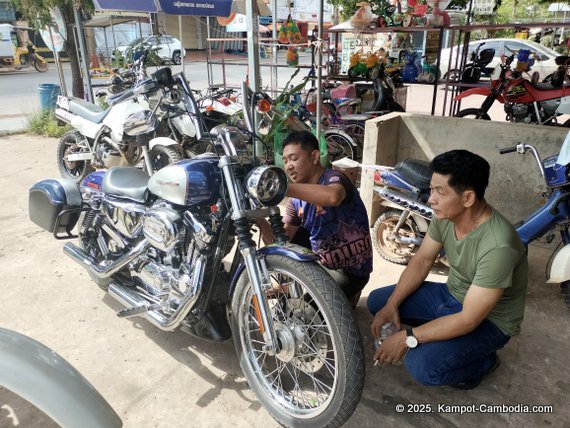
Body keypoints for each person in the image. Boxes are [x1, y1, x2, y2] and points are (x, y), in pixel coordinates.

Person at [367, 149, 528, 389]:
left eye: (439, 192)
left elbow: (469, 319)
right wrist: (392, 304)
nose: (431, 199)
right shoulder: (444, 216)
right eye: (431, 189)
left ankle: (484, 361)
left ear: (468, 198)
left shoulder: (498, 245)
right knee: (379, 302)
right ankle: (438, 334)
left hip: (489, 321)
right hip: (451, 295)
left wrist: (409, 338)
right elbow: (422, 260)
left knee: (422, 366)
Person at [261, 130, 373, 308]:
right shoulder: (295, 201)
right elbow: (279, 244)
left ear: (314, 157)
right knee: (283, 248)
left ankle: (349, 293)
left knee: (302, 317)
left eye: (294, 158)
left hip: (350, 272)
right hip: (321, 265)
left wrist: (283, 188)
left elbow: (333, 196)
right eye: (285, 161)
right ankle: (289, 286)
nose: (288, 166)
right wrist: (259, 220)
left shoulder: (334, 178)